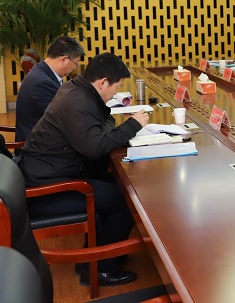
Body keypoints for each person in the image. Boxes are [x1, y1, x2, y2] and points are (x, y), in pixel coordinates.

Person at [18, 52, 149, 287]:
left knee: (116, 184)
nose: (116, 93)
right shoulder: (78, 102)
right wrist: (133, 125)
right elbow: (95, 147)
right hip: (47, 190)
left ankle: (94, 258)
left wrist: (113, 127)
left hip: (52, 172)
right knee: (126, 199)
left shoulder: (76, 90)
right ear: (103, 83)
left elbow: (102, 126)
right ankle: (101, 269)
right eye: (117, 87)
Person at [16, 35, 85, 142]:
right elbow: (63, 119)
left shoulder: (41, 72)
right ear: (64, 59)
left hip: (41, 138)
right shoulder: (42, 83)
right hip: (38, 146)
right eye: (76, 64)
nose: (74, 68)